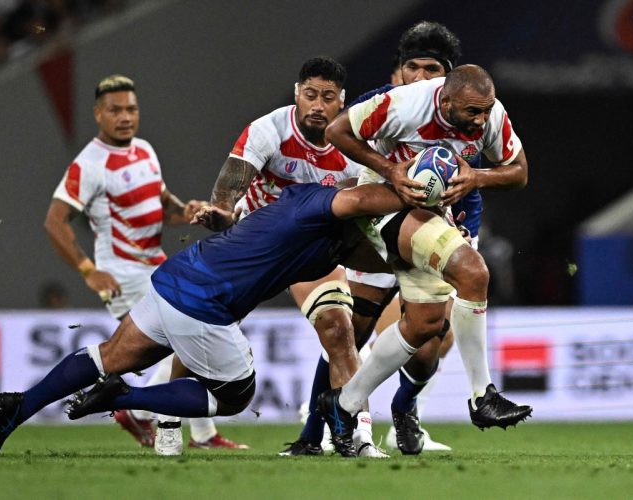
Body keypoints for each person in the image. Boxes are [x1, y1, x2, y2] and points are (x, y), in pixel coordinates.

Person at [0, 181, 408, 457]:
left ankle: (18, 407)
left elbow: (379, 257)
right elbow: (357, 198)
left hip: (174, 279)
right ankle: (120, 399)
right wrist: (417, 190)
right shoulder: (322, 201)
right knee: (235, 394)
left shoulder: (326, 238)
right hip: (203, 304)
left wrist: (425, 258)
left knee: (109, 354)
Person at [318, 64, 533, 456]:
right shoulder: (405, 105)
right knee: (473, 271)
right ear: (445, 101)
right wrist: (390, 170)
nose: (481, 120)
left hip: (429, 214)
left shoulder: (490, 113)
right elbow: (336, 132)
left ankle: (343, 404)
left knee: (424, 325)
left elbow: (519, 172)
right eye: (472, 112)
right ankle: (481, 395)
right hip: (381, 199)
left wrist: (478, 177)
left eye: (486, 111)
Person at [43, 74, 246, 454]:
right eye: (115, 110)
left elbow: (160, 201)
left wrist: (183, 210)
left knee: (191, 341)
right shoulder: (89, 163)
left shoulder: (144, 150)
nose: (125, 117)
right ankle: (144, 413)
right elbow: (55, 221)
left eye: (131, 109)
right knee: (190, 337)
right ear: (98, 114)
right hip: (121, 272)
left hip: (155, 266)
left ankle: (199, 434)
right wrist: (89, 270)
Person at [295, 20, 468, 455]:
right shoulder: (376, 106)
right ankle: (312, 434)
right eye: (414, 67)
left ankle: (405, 416)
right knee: (348, 335)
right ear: (401, 70)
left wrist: (471, 229)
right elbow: (337, 158)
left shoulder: (465, 112)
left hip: (435, 234)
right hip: (376, 235)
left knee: (433, 339)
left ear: (448, 74)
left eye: (433, 69)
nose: (422, 78)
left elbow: (472, 178)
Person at [207, 56, 385, 458]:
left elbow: (368, 205)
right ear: (296, 95)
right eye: (309, 95)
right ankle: (167, 424)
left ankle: (360, 438)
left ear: (342, 101)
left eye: (327, 97)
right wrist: (220, 212)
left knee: (341, 333)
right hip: (254, 245)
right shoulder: (269, 129)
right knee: (200, 322)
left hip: (311, 251)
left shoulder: (355, 150)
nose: (317, 106)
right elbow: (228, 187)